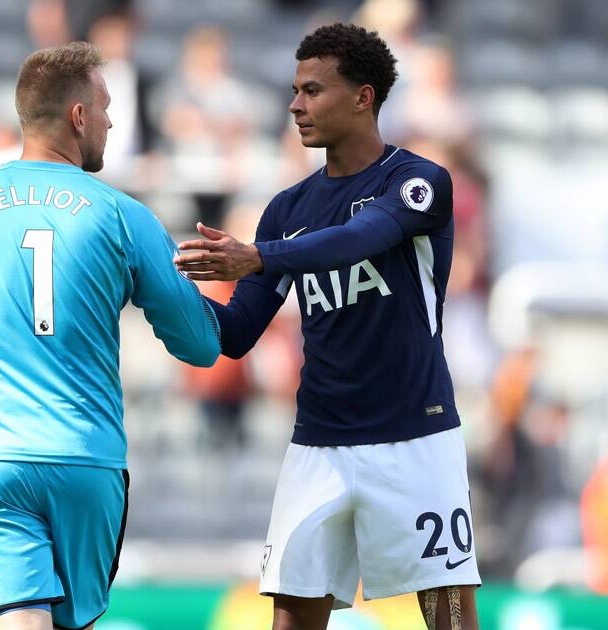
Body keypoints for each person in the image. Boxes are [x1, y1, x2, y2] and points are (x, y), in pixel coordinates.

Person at [0, 41, 220, 630]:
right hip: (88, 465)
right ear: (77, 116)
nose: (111, 119)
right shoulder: (125, 215)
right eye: (104, 106)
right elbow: (201, 346)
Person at [174, 23, 481, 630]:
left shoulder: (418, 181)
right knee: (292, 618)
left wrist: (261, 257)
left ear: (364, 97)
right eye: (294, 90)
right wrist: (159, 290)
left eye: (313, 90)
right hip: (318, 444)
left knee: (449, 618)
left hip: (414, 439)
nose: (295, 105)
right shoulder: (286, 209)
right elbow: (236, 334)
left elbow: (363, 238)